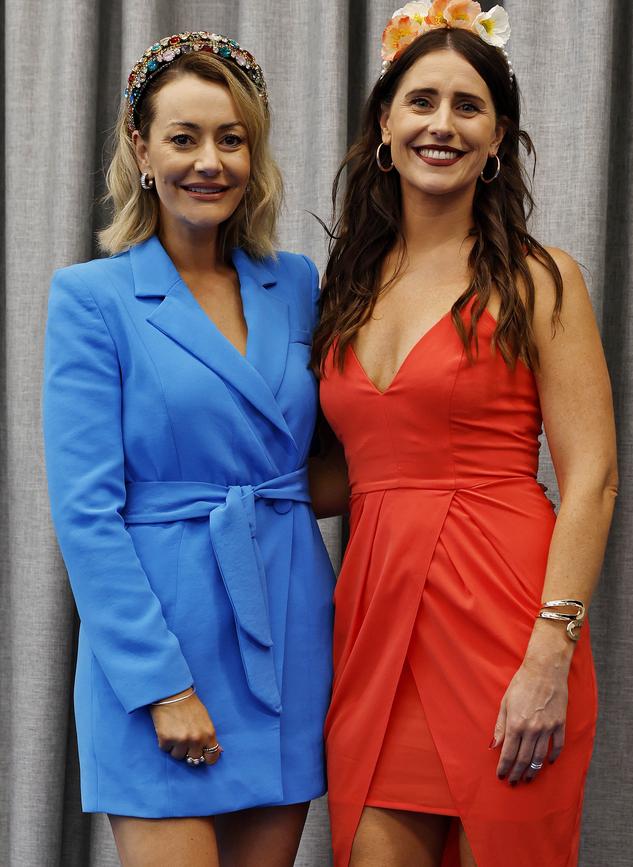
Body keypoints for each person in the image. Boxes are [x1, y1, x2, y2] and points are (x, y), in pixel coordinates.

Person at [309, 3, 617, 866]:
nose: (441, 124)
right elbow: (354, 472)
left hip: (508, 622)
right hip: (374, 629)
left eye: (467, 106)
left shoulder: (542, 277)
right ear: (385, 123)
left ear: (497, 138)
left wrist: (549, 653)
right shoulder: (348, 284)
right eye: (421, 101)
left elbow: (592, 475)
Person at [43, 31, 334, 867]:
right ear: (141, 148)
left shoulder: (298, 284)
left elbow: (328, 453)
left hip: (285, 629)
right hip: (159, 650)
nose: (209, 161)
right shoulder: (92, 299)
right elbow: (85, 511)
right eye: (184, 137)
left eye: (231, 138)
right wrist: (162, 685)